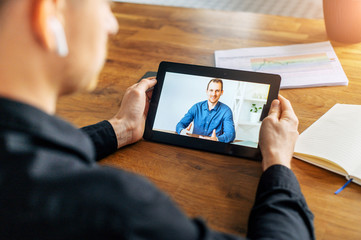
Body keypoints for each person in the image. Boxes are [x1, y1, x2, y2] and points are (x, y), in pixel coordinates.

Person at [0, 0, 315, 239]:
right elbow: (180, 126)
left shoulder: (226, 111)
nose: (111, 25)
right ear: (47, 14)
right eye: (105, 4)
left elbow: (227, 134)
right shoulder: (118, 208)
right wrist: (277, 160)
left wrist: (120, 129)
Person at [176, 79, 236, 143]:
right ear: (207, 91)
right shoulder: (196, 107)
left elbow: (230, 134)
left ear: (222, 92)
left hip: (214, 147)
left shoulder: (226, 111)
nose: (213, 94)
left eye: (217, 91)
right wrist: (182, 131)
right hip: (194, 145)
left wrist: (217, 139)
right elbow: (180, 124)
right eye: (211, 90)